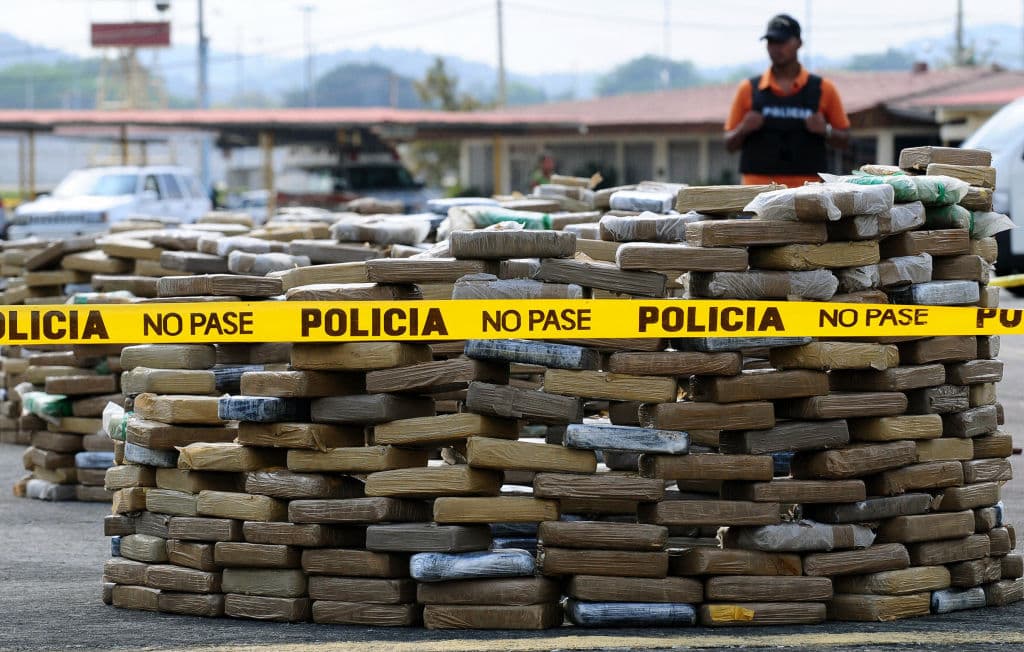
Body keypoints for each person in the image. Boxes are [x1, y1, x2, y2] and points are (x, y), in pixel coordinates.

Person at [724, 13, 850, 187]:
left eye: (782, 41)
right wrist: (743, 129)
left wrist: (825, 130)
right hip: (755, 192)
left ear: (799, 43)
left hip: (808, 192)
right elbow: (729, 144)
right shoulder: (749, 89)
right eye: (771, 42)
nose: (776, 48)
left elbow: (845, 140)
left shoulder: (823, 89)